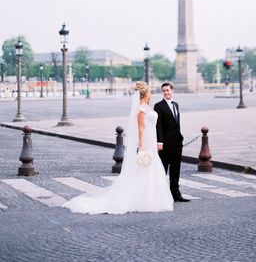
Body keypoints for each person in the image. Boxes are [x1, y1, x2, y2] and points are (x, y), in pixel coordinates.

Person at [63, 81, 173, 214]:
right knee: (146, 168)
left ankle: (151, 196)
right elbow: (140, 128)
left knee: (152, 166)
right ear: (145, 94)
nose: (151, 94)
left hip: (152, 136)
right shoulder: (141, 109)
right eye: (149, 92)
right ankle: (145, 198)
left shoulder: (147, 107)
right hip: (146, 139)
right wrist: (141, 146)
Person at [154, 82, 190, 202]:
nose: (166, 92)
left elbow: (176, 124)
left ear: (172, 91)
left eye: (168, 90)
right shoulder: (158, 106)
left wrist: (180, 138)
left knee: (176, 169)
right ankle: (161, 195)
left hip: (177, 143)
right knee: (162, 170)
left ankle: (176, 194)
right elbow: (158, 126)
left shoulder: (176, 105)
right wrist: (159, 142)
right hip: (165, 144)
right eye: (164, 91)